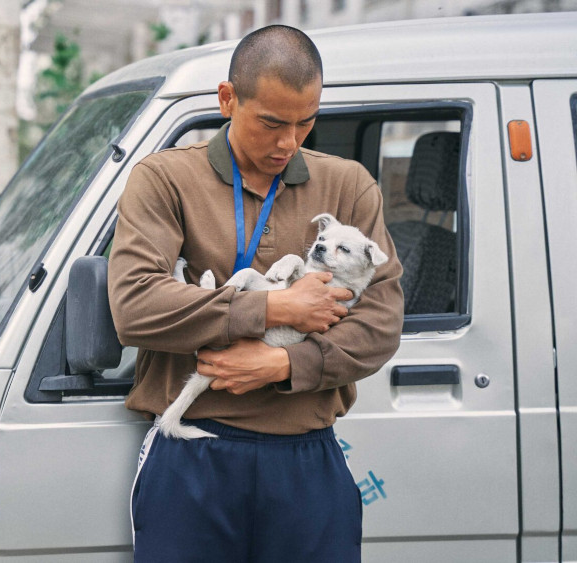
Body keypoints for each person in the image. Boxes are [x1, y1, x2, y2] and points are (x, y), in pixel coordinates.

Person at [107, 25, 404, 562]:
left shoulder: (349, 186)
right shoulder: (164, 179)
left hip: (307, 459)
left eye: (305, 122)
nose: (289, 142)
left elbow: (381, 324)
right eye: (271, 123)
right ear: (227, 99)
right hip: (191, 454)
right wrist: (274, 306)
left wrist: (282, 364)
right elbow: (135, 306)